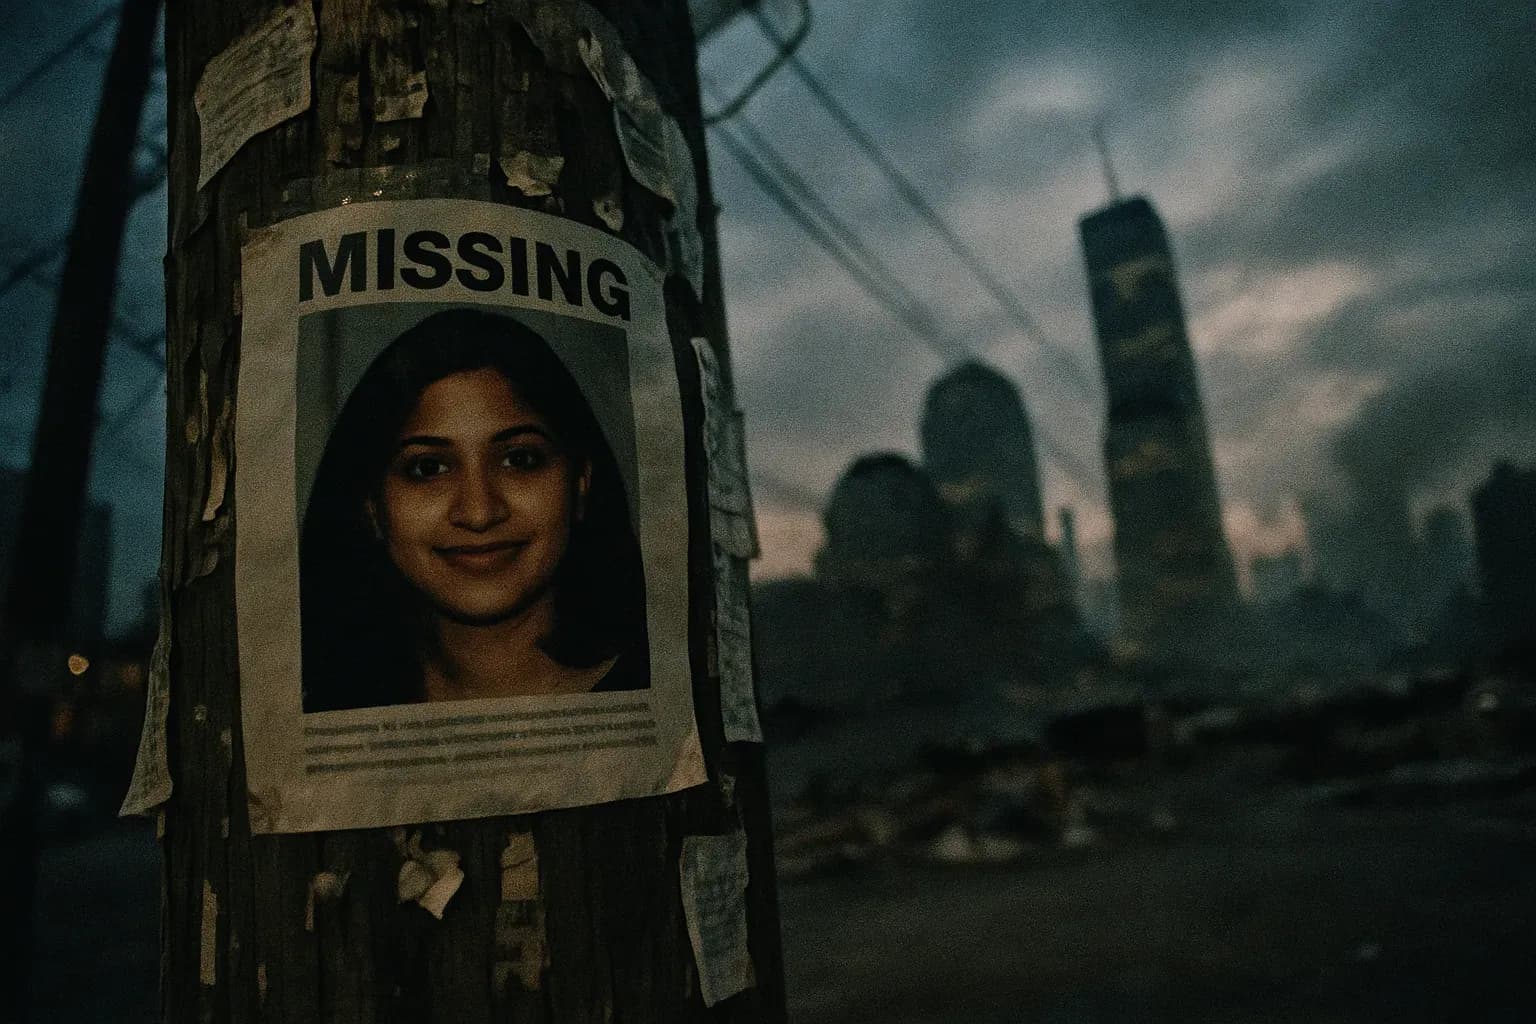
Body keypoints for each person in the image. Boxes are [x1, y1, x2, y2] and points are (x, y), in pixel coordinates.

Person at [300, 308, 648, 712]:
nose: (479, 513)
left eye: (520, 460)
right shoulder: (328, 711)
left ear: (581, 485)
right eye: (428, 468)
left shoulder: (669, 699)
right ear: (373, 508)